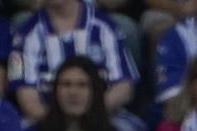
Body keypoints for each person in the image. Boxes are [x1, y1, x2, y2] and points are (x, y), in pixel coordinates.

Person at [8, 0, 137, 123]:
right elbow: (28, 99)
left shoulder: (105, 27)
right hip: (45, 120)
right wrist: (62, 126)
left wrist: (90, 116)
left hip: (105, 116)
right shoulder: (25, 35)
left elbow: (124, 87)